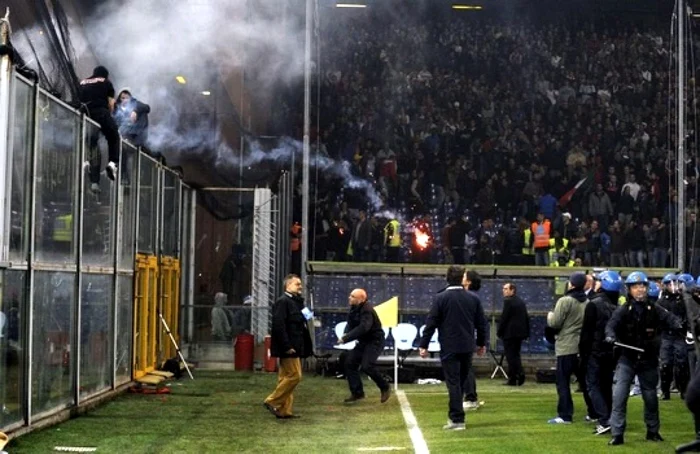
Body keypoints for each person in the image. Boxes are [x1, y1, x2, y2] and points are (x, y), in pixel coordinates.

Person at [605, 271, 682, 445]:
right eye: (635, 287)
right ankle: (617, 434)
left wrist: (679, 324)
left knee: (651, 398)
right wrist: (610, 336)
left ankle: (653, 431)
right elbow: (611, 326)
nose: (640, 290)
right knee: (619, 396)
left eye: (642, 286)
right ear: (629, 290)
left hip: (648, 360)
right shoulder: (623, 310)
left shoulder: (655, 309)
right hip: (627, 359)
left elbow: (671, 319)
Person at [419, 265, 487, 430]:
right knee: (461, 381)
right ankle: (458, 416)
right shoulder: (473, 298)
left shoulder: (440, 298)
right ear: (461, 278)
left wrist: (423, 345)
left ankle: (457, 419)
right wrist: (481, 344)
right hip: (467, 346)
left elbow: (431, 323)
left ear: (447, 278)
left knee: (453, 383)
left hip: (449, 346)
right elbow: (481, 324)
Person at [579, 270, 623, 436]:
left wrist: (582, 353)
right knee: (606, 386)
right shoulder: (617, 306)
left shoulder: (594, 304)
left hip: (594, 351)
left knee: (593, 386)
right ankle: (611, 417)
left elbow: (586, 333)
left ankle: (604, 419)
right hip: (610, 352)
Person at [263, 274, 312, 419]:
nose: (300, 287)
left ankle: (284, 410)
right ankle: (272, 401)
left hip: (294, 345)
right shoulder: (283, 302)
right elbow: (279, 325)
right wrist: (286, 345)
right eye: (297, 284)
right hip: (289, 346)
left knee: (285, 377)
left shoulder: (296, 302)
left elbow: (306, 317)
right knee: (294, 376)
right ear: (288, 285)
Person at [546, 271, 588, 424]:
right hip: (581, 347)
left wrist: (550, 315)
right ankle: (594, 412)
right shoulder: (587, 302)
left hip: (566, 346)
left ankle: (565, 415)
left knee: (563, 382)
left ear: (571, 284)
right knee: (585, 382)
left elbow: (555, 323)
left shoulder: (565, 301)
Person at [337, 288, 391, 404]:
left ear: (361, 299)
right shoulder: (353, 309)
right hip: (363, 342)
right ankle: (357, 393)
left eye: (352, 296)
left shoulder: (367, 310)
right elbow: (350, 324)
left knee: (367, 366)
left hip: (374, 341)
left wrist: (346, 338)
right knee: (349, 363)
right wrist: (346, 333)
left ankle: (385, 386)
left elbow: (364, 328)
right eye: (350, 295)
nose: (349, 298)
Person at [78, 66, 120, 191]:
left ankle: (94, 180)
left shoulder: (83, 82)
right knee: (113, 137)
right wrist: (110, 114)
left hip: (86, 115)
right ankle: (112, 164)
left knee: (93, 145)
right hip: (101, 113)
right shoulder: (106, 82)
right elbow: (111, 103)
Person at [658, 273, 691, 400]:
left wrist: (684, 326)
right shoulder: (661, 301)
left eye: (674, 283)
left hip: (679, 336)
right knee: (665, 364)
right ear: (665, 285)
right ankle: (665, 392)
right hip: (666, 336)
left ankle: (683, 390)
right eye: (669, 284)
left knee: (682, 364)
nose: (672, 286)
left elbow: (689, 316)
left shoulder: (683, 299)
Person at [497, 282, 530, 386]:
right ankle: (516, 376)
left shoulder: (508, 301)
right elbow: (526, 318)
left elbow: (504, 318)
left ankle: (516, 376)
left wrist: (499, 331)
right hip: (519, 334)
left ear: (512, 290)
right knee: (515, 355)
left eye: (506, 289)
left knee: (511, 356)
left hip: (510, 334)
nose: (504, 290)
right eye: (503, 288)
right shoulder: (520, 302)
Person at [461, 269, 485, 409]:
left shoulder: (470, 297)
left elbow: (480, 322)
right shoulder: (471, 296)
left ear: (468, 281)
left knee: (465, 367)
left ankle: (470, 397)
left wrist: (481, 343)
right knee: (465, 367)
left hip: (465, 337)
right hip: (468, 337)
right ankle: (470, 396)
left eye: (464, 276)